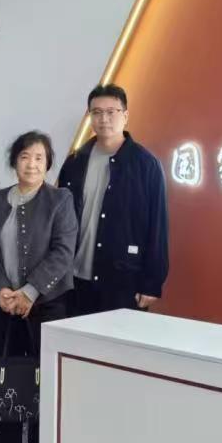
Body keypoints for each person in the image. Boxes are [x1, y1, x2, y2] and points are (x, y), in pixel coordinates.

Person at [0, 131, 76, 443]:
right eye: (24, 157)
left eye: (39, 158)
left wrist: (30, 292)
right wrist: (0, 290)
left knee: (42, 384)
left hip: (45, 306)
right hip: (2, 306)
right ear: (14, 161)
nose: (31, 164)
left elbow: (63, 252)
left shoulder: (60, 200)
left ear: (48, 164)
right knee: (7, 380)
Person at [58, 84, 169, 315]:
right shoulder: (75, 162)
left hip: (123, 280)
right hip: (74, 280)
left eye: (111, 112)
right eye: (96, 112)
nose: (104, 119)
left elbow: (157, 227)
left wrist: (152, 282)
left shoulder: (146, 165)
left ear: (125, 116)